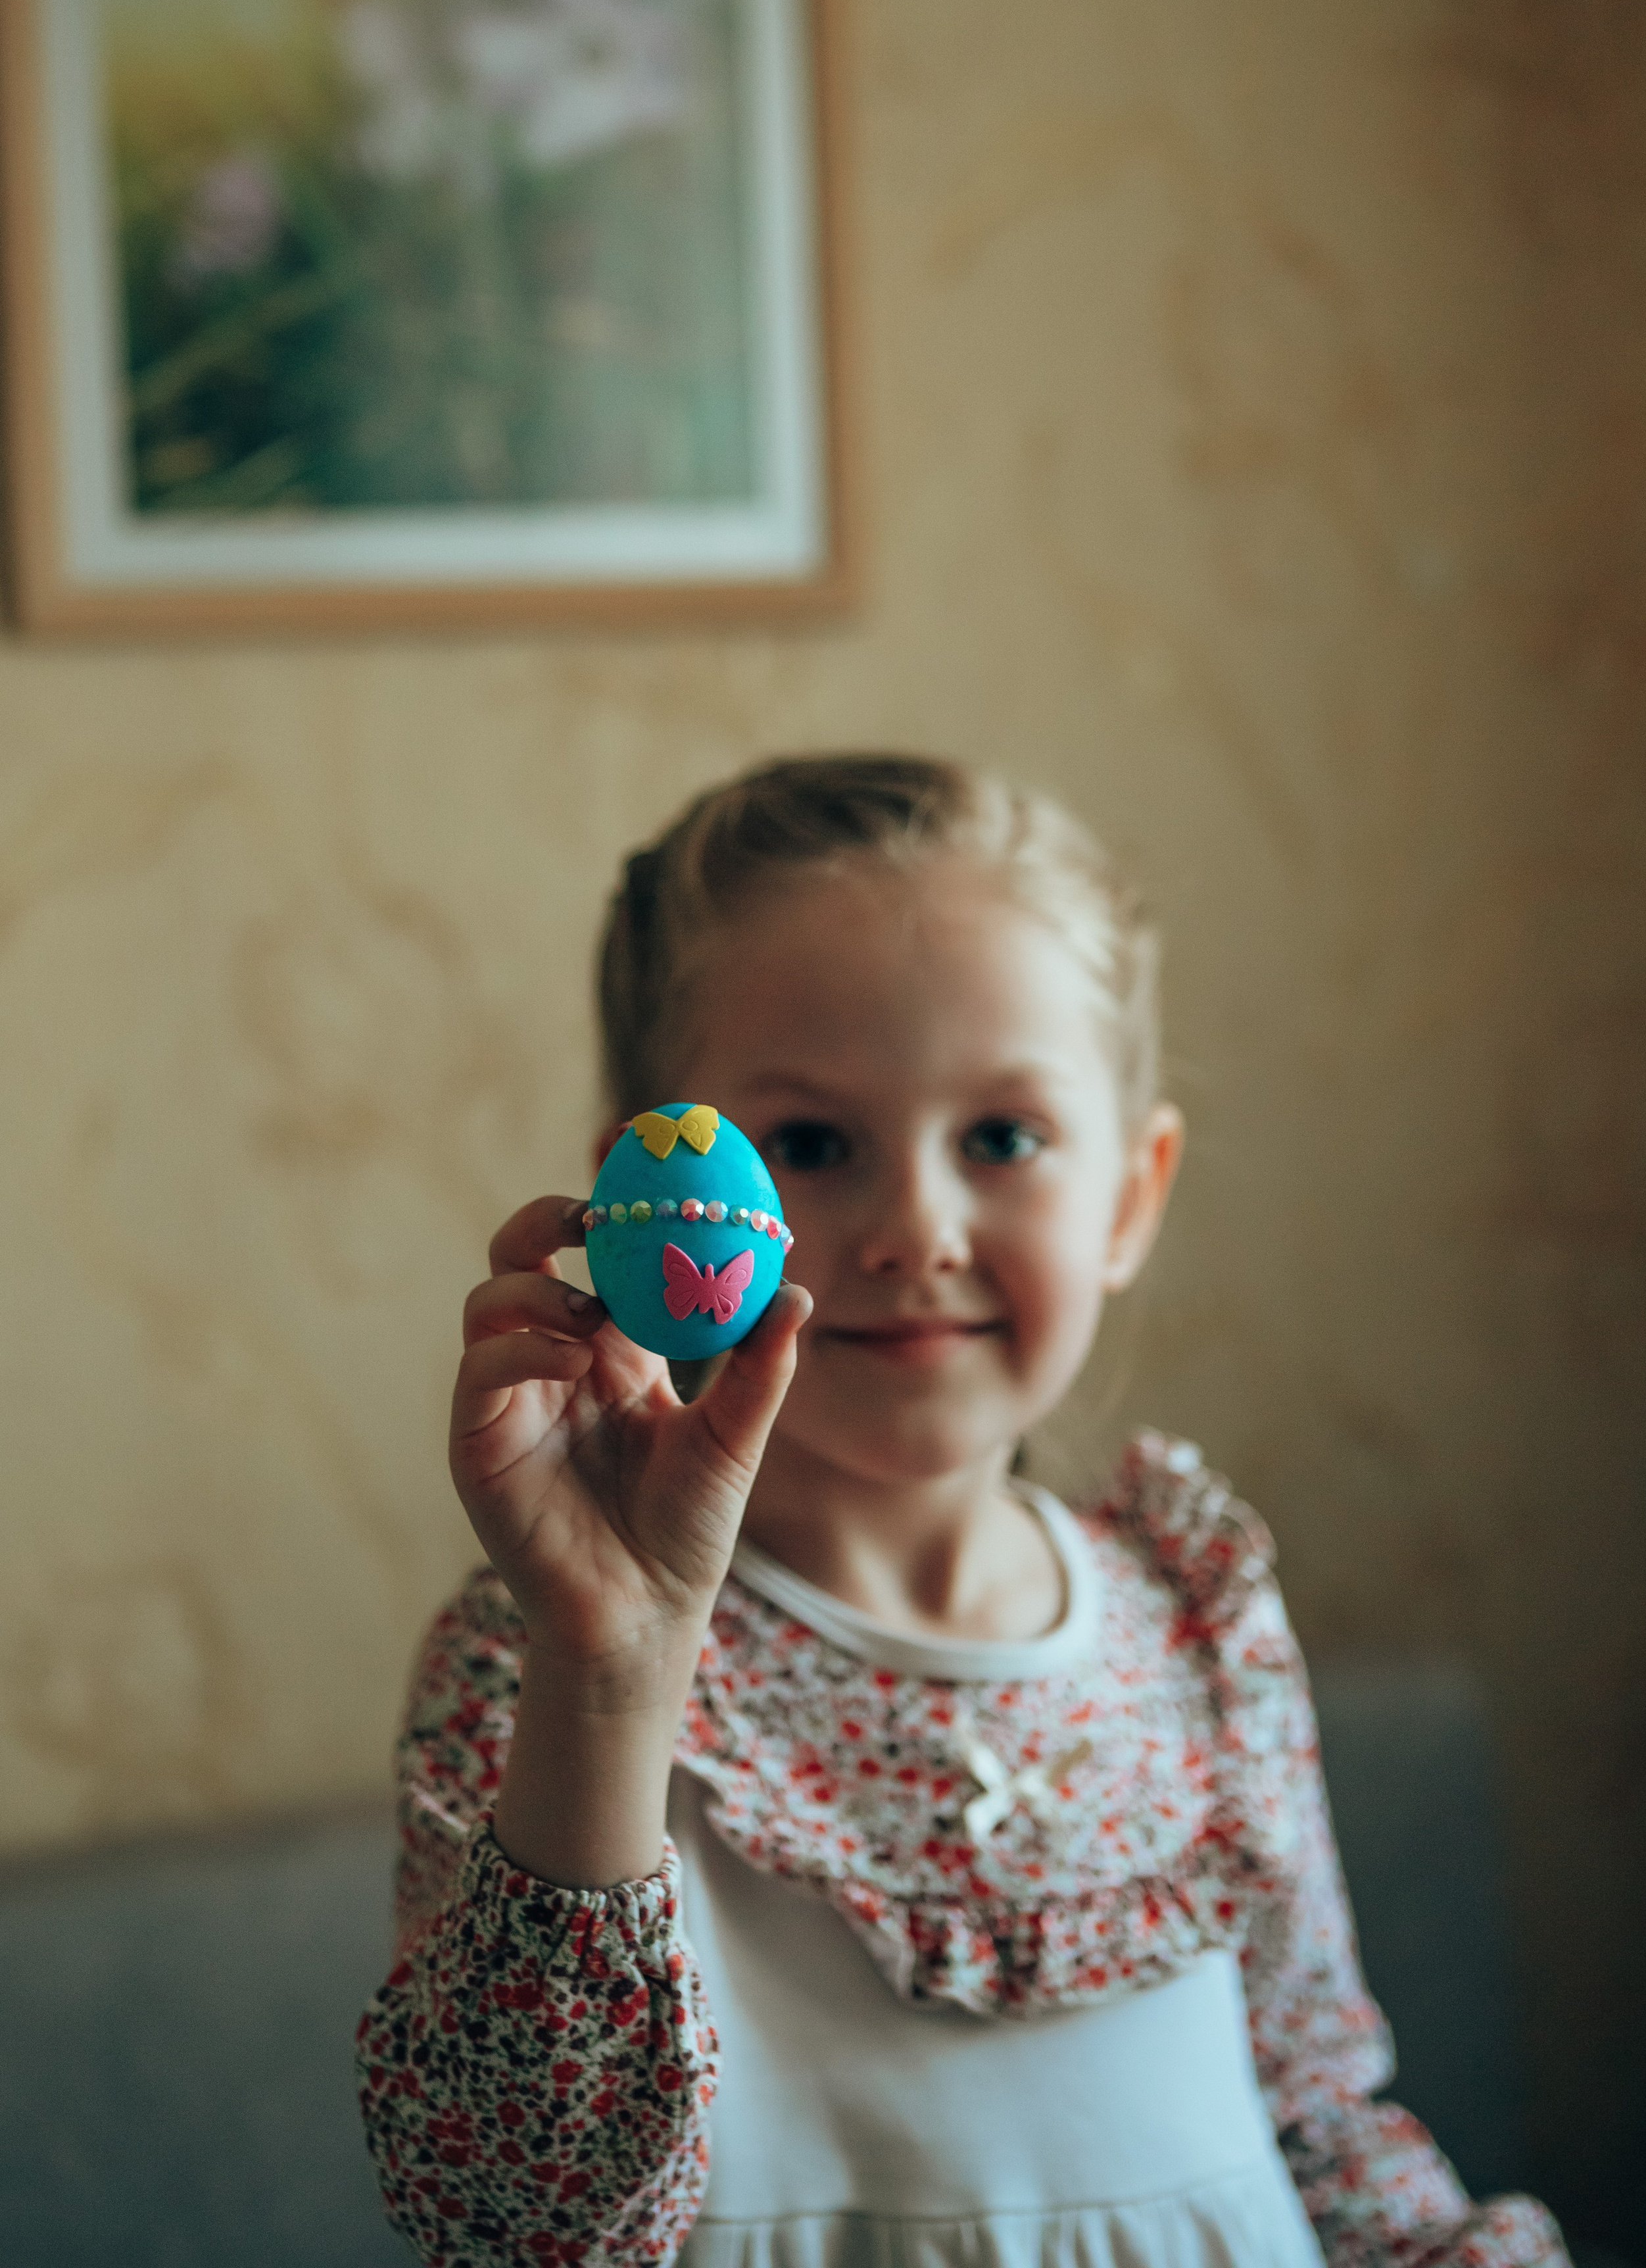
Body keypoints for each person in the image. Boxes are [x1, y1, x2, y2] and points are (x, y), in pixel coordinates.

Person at [356, 754, 1568, 2268]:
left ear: (1129, 1195)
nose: (917, 1231)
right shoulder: (540, 1662)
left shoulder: (1196, 1619)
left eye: (1000, 1139)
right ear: (641, 1194)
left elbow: (1319, 2123)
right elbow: (514, 2228)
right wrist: (612, 1665)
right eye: (806, 1146)